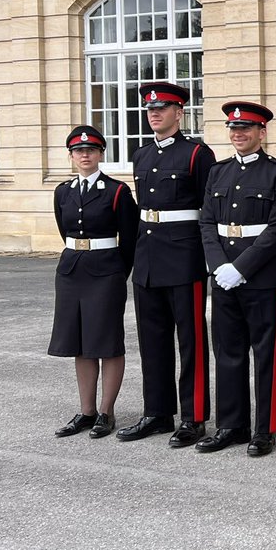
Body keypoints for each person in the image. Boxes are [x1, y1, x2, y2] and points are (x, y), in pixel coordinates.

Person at [117, 82, 216, 447]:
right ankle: (157, 412)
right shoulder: (141, 154)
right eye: (150, 109)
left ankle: (193, 417)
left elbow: (211, 210)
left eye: (163, 108)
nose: (154, 113)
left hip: (184, 256)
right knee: (152, 338)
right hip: (148, 255)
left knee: (190, 340)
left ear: (179, 112)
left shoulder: (197, 154)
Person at [196, 101, 276, 457]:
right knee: (228, 351)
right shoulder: (218, 173)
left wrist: (241, 267)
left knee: (266, 354)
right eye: (234, 130)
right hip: (223, 276)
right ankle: (231, 425)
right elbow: (207, 223)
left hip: (262, 277)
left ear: (262, 133)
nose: (239, 135)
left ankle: (264, 429)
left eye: (246, 129)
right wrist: (220, 265)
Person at [49, 125, 138, 439]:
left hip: (106, 271)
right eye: (78, 151)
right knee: (80, 342)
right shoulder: (63, 191)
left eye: (90, 150)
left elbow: (129, 240)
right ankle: (86, 411)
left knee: (107, 342)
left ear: (101, 153)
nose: (84, 155)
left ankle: (106, 412)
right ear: (71, 156)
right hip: (72, 270)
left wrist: (117, 273)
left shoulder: (116, 191)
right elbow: (65, 230)